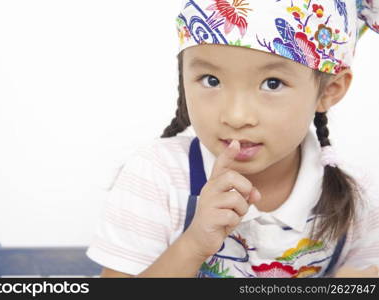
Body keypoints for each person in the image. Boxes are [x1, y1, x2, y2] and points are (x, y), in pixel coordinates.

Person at [86, 0, 379, 278]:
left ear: (330, 90)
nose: (237, 116)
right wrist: (193, 244)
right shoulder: (157, 176)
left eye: (272, 84)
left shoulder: (359, 197)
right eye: (211, 80)